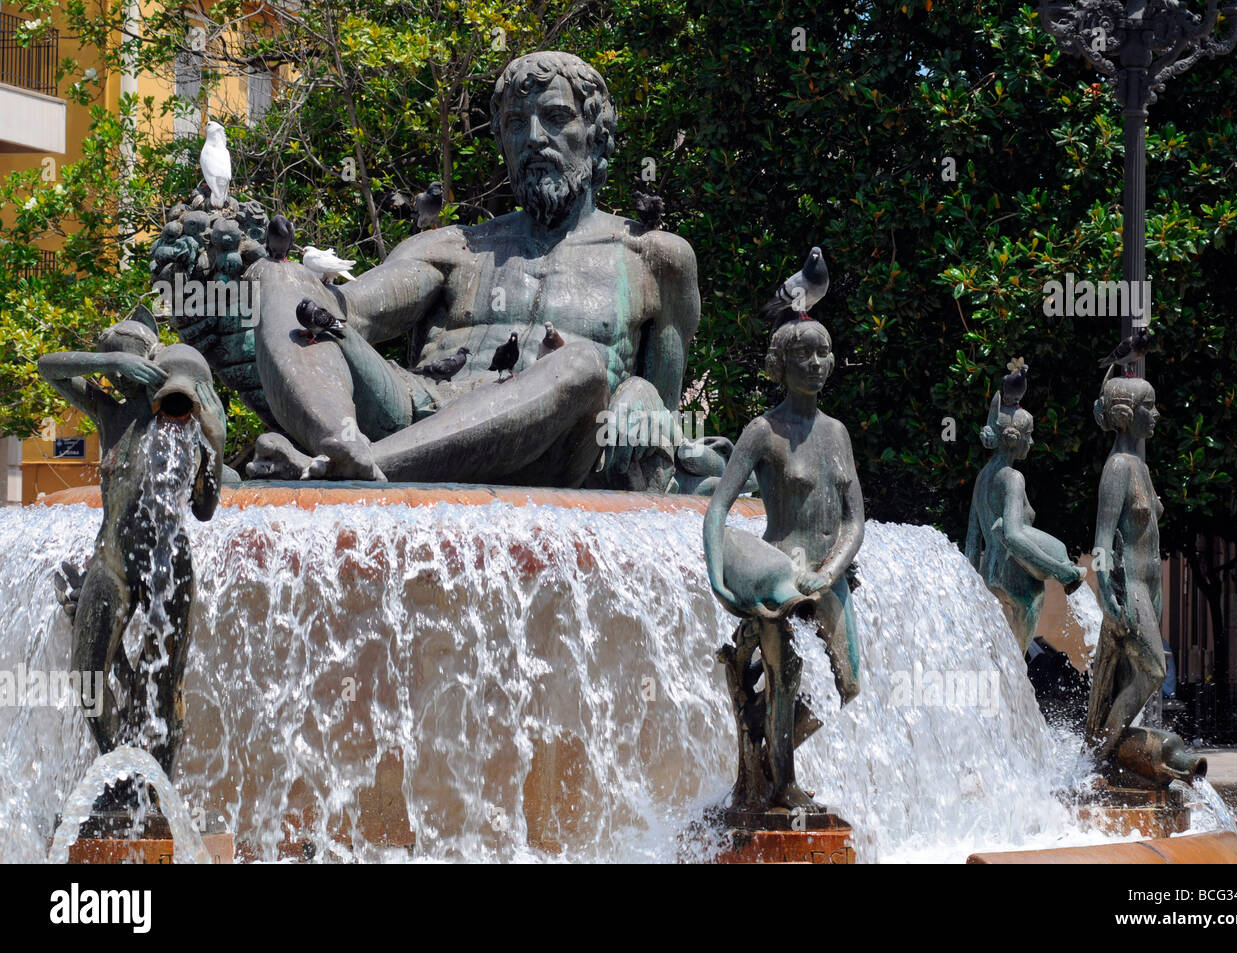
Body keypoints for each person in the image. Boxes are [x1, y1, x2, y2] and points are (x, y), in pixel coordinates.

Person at [245, 51, 700, 489]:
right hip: (416, 408)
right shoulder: (454, 247)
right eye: (517, 125)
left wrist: (645, 394)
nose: (536, 138)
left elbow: (668, 427)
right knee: (281, 274)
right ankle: (339, 446)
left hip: (550, 450)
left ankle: (357, 469)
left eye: (557, 118)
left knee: (580, 365)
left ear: (598, 136)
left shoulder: (654, 258)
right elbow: (347, 311)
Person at [37, 313, 224, 776]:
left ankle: (154, 789)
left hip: (170, 566)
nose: (118, 377)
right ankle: (120, 769)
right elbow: (48, 366)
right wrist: (109, 358)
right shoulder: (110, 412)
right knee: (88, 676)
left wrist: (216, 444)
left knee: (162, 688)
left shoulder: (185, 421)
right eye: (116, 370)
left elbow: (204, 510)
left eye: (126, 364)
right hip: (113, 561)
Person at [703, 319, 864, 812]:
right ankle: (781, 785)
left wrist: (830, 572)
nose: (816, 364)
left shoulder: (837, 434)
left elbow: (855, 522)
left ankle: (765, 751)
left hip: (827, 577)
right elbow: (718, 508)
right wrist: (718, 576)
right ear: (782, 365)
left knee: (850, 684)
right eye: (805, 356)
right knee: (783, 677)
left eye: (824, 353)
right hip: (776, 578)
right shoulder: (763, 431)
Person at [964, 385, 1085, 654]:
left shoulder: (982, 477)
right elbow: (1014, 535)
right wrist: (1061, 571)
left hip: (989, 579)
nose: (1031, 443)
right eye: (1028, 436)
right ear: (1014, 439)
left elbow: (972, 543)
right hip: (1018, 582)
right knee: (1015, 664)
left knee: (996, 662)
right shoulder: (1013, 478)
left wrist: (973, 588)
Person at [1085, 373, 1165, 765]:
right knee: (1153, 672)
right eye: (1148, 408)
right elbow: (1101, 540)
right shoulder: (1117, 468)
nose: (1155, 415)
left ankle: (1113, 762)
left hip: (1151, 588)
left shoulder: (1141, 467)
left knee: (1131, 679)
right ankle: (1098, 758)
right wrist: (1106, 593)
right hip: (1130, 587)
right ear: (1125, 414)